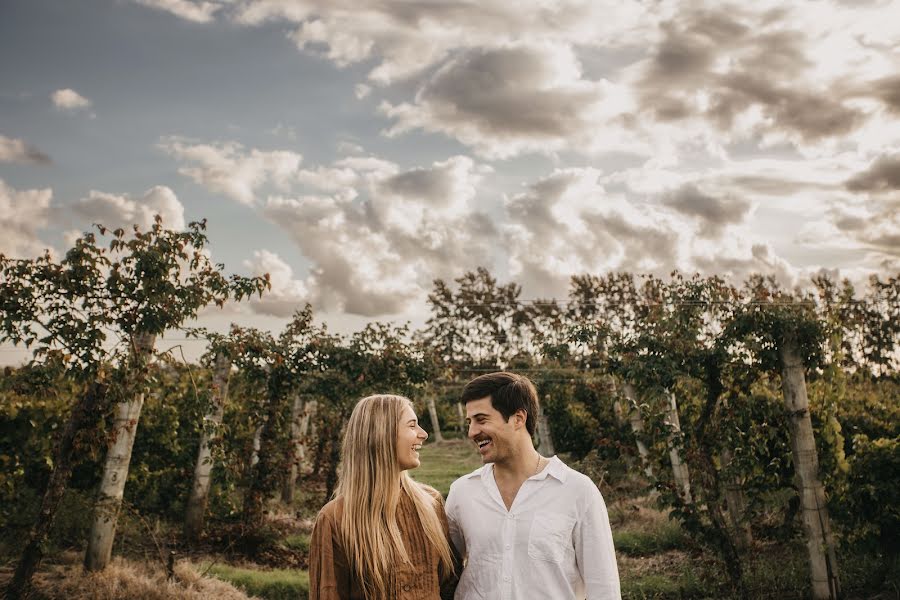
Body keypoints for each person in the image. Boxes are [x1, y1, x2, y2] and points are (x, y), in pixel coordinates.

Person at [445, 372, 621, 600]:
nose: (472, 432)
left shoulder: (578, 491)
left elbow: (604, 588)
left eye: (482, 419)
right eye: (470, 422)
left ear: (518, 418)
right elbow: (444, 574)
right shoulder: (462, 492)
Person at [309, 394, 458, 600]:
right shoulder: (335, 518)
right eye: (412, 425)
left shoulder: (431, 503)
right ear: (382, 434)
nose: (423, 434)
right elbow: (328, 593)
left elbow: (449, 585)